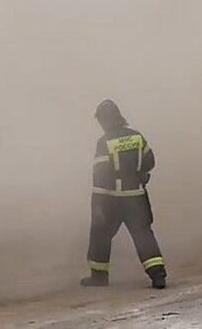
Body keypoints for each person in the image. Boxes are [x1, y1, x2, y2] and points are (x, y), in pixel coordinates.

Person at [81, 99, 167, 290]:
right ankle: (158, 275)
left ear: (105, 120)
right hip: (136, 197)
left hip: (111, 199)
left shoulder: (105, 142)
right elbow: (149, 161)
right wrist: (138, 175)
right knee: (143, 234)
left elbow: (100, 175)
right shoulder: (136, 136)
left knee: (100, 234)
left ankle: (99, 276)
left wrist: (97, 205)